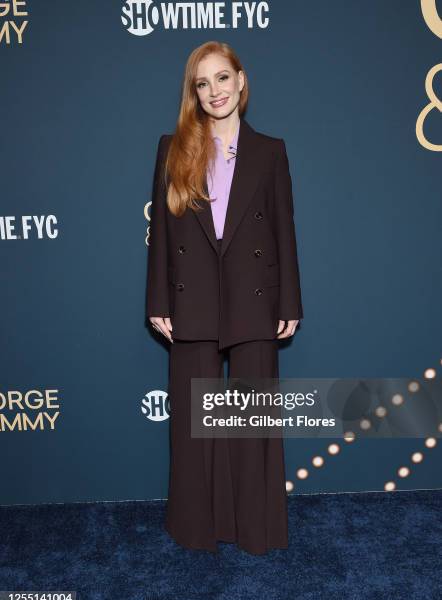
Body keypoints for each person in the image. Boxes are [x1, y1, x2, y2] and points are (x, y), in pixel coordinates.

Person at [146, 41, 303, 555]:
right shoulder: (173, 148)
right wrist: (157, 299)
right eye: (202, 83)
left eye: (222, 78)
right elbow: (164, 239)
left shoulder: (271, 150)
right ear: (195, 93)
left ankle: (255, 529)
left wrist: (289, 304)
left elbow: (284, 231)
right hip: (190, 300)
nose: (214, 91)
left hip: (254, 298)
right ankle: (197, 529)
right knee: (193, 427)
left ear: (241, 80)